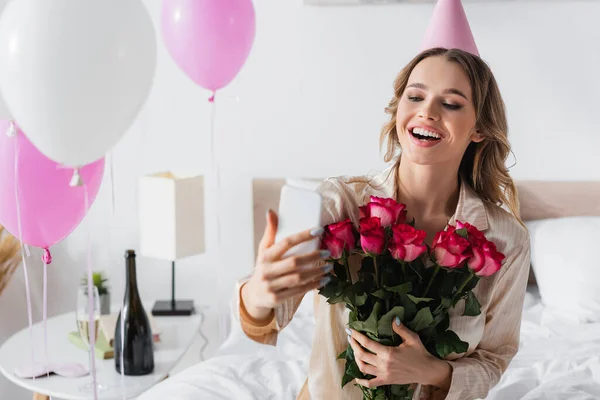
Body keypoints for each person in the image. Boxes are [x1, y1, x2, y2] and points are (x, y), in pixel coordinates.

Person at [237, 47, 531, 400]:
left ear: (480, 128)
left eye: (450, 104)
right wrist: (259, 291)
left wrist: (430, 371)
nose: (427, 111)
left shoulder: (505, 239)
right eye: (416, 96)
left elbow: (494, 359)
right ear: (399, 110)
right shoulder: (341, 203)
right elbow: (267, 317)